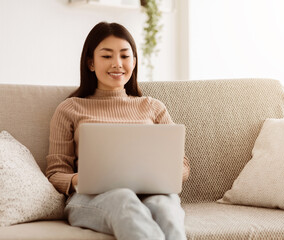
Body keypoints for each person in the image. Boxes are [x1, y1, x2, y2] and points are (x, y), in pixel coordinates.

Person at [46, 21, 190, 240]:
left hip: (152, 194)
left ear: (134, 61)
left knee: (166, 208)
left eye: (124, 56)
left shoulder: (153, 107)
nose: (117, 63)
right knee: (123, 199)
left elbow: (182, 164)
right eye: (106, 56)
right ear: (90, 63)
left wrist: (166, 177)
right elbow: (55, 173)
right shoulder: (70, 109)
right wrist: (79, 179)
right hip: (91, 198)